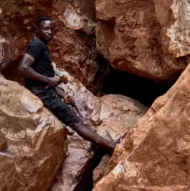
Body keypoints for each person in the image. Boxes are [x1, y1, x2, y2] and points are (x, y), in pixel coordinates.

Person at [18, 17, 123, 153]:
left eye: (51, 29)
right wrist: (49, 80)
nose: (49, 32)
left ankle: (105, 144)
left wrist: (63, 93)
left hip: (45, 91)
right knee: (76, 122)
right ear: (37, 30)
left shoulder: (42, 46)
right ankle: (110, 146)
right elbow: (22, 68)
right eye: (45, 29)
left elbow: (40, 74)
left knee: (74, 119)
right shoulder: (37, 45)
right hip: (43, 93)